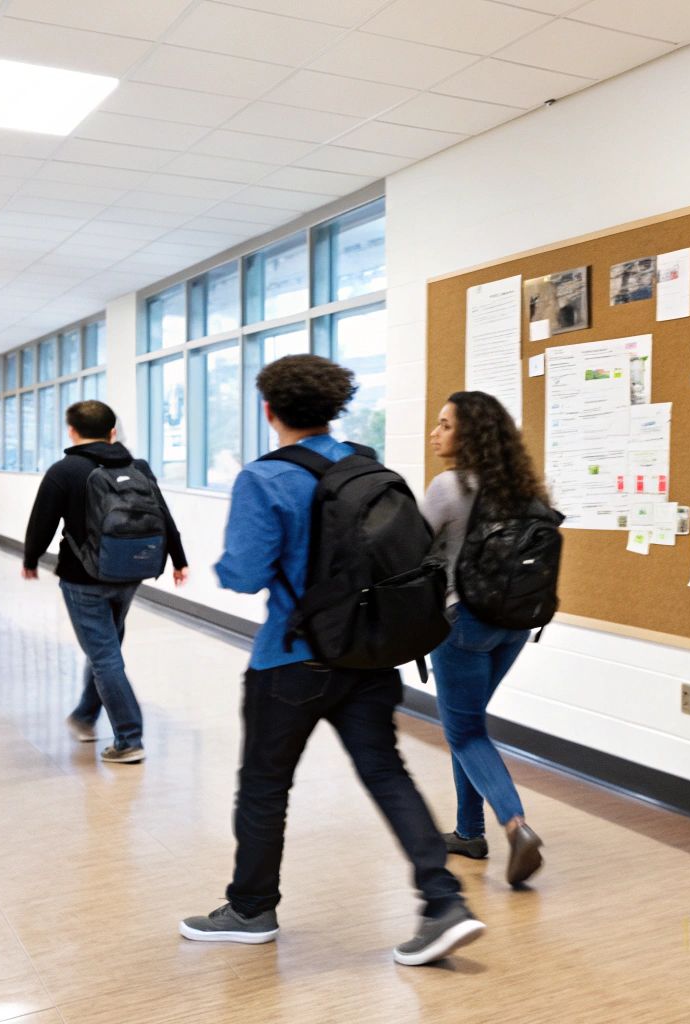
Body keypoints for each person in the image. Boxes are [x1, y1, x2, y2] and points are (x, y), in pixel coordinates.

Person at [180, 354, 483, 966]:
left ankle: (251, 907)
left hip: (290, 661)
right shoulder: (369, 470)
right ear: (335, 409)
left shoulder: (264, 479)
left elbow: (243, 574)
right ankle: (443, 900)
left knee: (265, 784)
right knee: (386, 773)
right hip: (369, 655)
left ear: (270, 411)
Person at [424, 391, 546, 887]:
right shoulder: (525, 490)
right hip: (515, 625)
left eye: (445, 424)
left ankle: (515, 826)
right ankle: (469, 832)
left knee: (466, 730)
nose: (436, 432)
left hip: (462, 624)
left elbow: (409, 545)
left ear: (468, 434)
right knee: (468, 724)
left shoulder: (448, 486)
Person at [23, 400, 188, 765]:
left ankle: (129, 739)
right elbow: (162, 513)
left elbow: (42, 521)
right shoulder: (137, 466)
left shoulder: (64, 470)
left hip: (83, 578)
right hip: (131, 574)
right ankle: (84, 715)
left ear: (72, 431)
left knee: (104, 655)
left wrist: (31, 559)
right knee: (105, 649)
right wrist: (179, 559)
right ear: (113, 432)